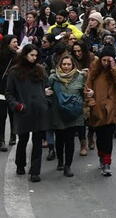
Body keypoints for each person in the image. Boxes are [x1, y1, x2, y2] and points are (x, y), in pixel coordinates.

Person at [6, 43, 51, 182]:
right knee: (23, 140)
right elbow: (9, 93)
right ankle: (20, 164)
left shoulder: (40, 70)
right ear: (25, 55)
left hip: (39, 110)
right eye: (31, 55)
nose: (34, 58)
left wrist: (46, 101)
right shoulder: (14, 71)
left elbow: (48, 88)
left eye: (36, 55)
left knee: (38, 142)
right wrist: (17, 106)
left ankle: (35, 171)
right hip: (23, 110)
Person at [86, 45, 116, 177]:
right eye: (104, 60)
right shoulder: (94, 72)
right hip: (97, 109)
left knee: (108, 137)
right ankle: (101, 157)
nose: (106, 63)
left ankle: (107, 163)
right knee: (100, 137)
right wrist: (91, 102)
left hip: (111, 109)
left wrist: (114, 68)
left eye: (109, 60)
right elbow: (87, 89)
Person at [48, 52, 86, 177]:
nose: (66, 66)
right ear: (60, 65)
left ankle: (67, 165)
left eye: (68, 64)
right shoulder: (53, 78)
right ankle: (60, 161)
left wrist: (89, 94)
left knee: (70, 140)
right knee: (59, 139)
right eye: (64, 64)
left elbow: (84, 92)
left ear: (73, 65)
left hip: (73, 113)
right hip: (58, 112)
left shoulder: (80, 77)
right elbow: (48, 92)